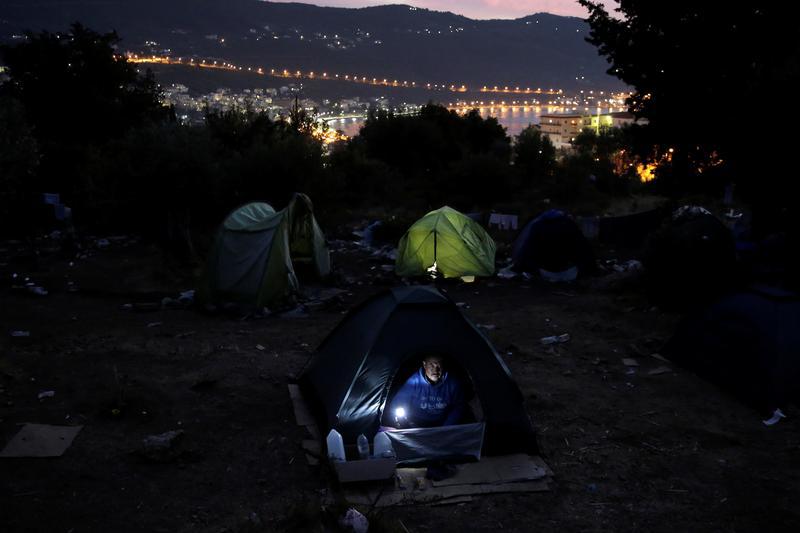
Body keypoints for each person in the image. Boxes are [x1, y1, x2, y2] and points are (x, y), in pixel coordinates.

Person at [386, 355, 465, 429]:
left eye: (439, 364)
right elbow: (398, 403)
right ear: (424, 365)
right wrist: (405, 424)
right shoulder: (413, 382)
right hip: (416, 424)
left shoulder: (452, 383)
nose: (435, 369)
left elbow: (458, 407)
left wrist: (446, 427)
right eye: (431, 365)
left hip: (441, 424)